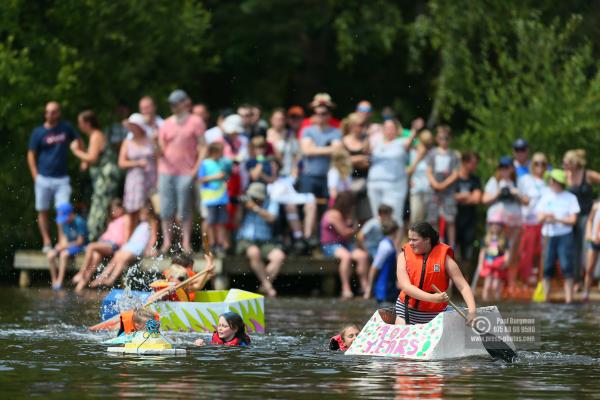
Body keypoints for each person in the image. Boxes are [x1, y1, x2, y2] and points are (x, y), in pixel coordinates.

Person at [395, 222, 477, 325]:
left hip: (435, 314)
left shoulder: (445, 260)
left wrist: (472, 312)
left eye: (414, 240)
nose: (410, 243)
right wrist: (432, 298)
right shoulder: (403, 256)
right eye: (409, 239)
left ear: (427, 239)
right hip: (406, 310)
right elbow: (406, 286)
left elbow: (463, 286)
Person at [27, 101, 80, 252]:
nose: (50, 114)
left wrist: (78, 150)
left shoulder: (66, 128)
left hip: (62, 178)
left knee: (62, 209)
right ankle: (47, 242)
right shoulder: (38, 132)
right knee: (43, 210)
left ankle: (62, 240)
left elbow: (77, 140)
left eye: (53, 111)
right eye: (48, 112)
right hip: (43, 178)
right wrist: (35, 175)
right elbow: (31, 154)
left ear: (58, 113)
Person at [158, 89, 206, 253]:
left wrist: (195, 170)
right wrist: (153, 145)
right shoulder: (165, 123)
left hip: (186, 172)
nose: (173, 106)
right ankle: (166, 243)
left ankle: (186, 243)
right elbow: (160, 151)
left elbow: (203, 147)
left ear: (185, 103)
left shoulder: (196, 121)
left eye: (176, 102)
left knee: (184, 210)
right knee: (165, 209)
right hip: (165, 171)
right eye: (171, 103)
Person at [71, 110, 121, 241]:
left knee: (101, 207)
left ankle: (96, 238)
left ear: (87, 123)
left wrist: (76, 151)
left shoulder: (96, 135)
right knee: (100, 206)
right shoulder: (94, 136)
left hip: (106, 178)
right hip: (102, 179)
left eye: (80, 123)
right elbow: (89, 161)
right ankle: (98, 237)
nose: (79, 126)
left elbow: (92, 158)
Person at [536, 169, 580, 304]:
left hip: (564, 236)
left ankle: (569, 300)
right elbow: (538, 218)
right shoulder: (545, 196)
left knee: (567, 267)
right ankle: (546, 298)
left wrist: (557, 219)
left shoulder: (570, 197)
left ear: (558, 182)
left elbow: (573, 220)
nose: (550, 182)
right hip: (548, 235)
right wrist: (545, 216)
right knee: (547, 267)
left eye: (552, 180)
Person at [482, 156, 526, 290]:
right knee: (495, 252)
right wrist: (498, 193)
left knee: (513, 254)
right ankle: (493, 283)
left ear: (512, 168)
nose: (504, 170)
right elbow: (484, 200)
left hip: (514, 223)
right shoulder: (494, 181)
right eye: (501, 167)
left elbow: (526, 201)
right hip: (497, 224)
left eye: (506, 167)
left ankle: (510, 284)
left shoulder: (518, 182)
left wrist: (515, 193)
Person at [236, 183, 286, 297]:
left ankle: (264, 287)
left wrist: (255, 208)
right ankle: (268, 287)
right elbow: (235, 222)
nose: (253, 199)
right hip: (246, 240)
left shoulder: (271, 202)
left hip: (265, 241)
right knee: (254, 252)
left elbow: (272, 218)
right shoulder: (244, 205)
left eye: (255, 197)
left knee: (279, 256)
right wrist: (241, 208)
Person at [90, 204, 158, 288]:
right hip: (131, 245)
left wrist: (150, 248)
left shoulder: (152, 223)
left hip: (138, 247)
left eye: (143, 214)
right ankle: (102, 277)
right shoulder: (140, 224)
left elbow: (153, 237)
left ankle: (111, 279)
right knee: (117, 255)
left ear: (148, 214)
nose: (141, 216)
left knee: (123, 258)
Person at [320, 192, 369, 299]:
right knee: (346, 257)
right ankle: (346, 288)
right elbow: (345, 233)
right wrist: (358, 228)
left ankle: (365, 287)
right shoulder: (333, 214)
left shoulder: (344, 215)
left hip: (344, 245)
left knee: (363, 256)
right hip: (330, 245)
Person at [368, 119, 415, 227]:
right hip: (374, 184)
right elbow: (366, 151)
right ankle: (381, 242)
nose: (388, 130)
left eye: (391, 128)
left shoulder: (402, 141)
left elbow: (412, 141)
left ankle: (394, 243)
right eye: (386, 128)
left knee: (394, 217)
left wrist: (415, 129)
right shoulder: (376, 143)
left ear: (397, 130)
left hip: (394, 186)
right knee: (377, 218)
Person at [73, 199, 127, 292]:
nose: (114, 212)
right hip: (105, 244)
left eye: (116, 209)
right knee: (96, 256)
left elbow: (124, 236)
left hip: (113, 245)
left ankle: (81, 273)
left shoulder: (125, 219)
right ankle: (81, 285)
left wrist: (123, 247)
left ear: (122, 208)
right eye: (112, 210)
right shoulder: (112, 222)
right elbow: (107, 235)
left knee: (90, 246)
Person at [563, 149, 600, 287]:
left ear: (575, 163)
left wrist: (598, 202)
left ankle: (590, 278)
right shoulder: (566, 176)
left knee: (587, 247)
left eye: (567, 163)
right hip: (571, 217)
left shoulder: (588, 174)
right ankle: (577, 280)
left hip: (587, 216)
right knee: (573, 248)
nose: (564, 165)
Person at [119, 113, 158, 238]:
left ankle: (152, 244)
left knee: (150, 213)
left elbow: (158, 158)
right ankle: (129, 242)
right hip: (134, 181)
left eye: (134, 125)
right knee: (132, 212)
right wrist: (137, 163)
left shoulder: (150, 140)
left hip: (150, 180)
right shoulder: (127, 142)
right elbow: (121, 163)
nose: (132, 128)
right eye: (131, 126)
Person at [298, 101, 342, 201]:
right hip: (308, 175)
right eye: (317, 113)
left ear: (329, 115)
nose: (320, 116)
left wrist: (314, 148)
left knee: (327, 209)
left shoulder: (336, 132)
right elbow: (306, 151)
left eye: (323, 113)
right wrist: (328, 149)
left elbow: (337, 150)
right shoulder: (307, 130)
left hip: (328, 176)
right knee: (308, 207)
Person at [516, 152, 548, 284]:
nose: (539, 166)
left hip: (544, 222)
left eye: (543, 163)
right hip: (528, 222)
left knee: (541, 253)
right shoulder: (525, 179)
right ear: (532, 165)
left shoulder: (548, 181)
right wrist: (523, 199)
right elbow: (517, 196)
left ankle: (540, 280)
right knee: (526, 253)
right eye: (536, 163)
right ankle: (524, 281)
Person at [426, 125, 460, 248]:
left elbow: (456, 173)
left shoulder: (454, 155)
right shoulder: (432, 153)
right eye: (441, 138)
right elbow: (428, 171)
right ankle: (435, 243)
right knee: (433, 218)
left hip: (448, 191)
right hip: (434, 190)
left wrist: (444, 184)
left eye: (446, 138)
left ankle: (451, 245)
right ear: (437, 139)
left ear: (449, 139)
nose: (443, 140)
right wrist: (435, 184)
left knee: (450, 218)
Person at [198, 142, 232, 255]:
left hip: (222, 197)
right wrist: (216, 177)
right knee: (210, 221)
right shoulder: (205, 163)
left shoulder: (222, 163)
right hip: (210, 198)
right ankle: (211, 244)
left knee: (222, 222)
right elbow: (201, 179)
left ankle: (221, 244)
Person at [47, 203, 88, 290]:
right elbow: (64, 239)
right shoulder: (65, 223)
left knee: (63, 254)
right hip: (69, 246)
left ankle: (60, 281)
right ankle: (54, 280)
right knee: (50, 255)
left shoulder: (79, 221)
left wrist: (64, 246)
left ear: (71, 214)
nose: (64, 220)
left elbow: (80, 242)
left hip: (80, 246)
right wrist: (60, 246)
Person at [341, 112, 371, 222]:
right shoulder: (343, 140)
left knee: (364, 215)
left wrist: (367, 137)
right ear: (352, 126)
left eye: (364, 125)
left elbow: (368, 158)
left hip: (364, 181)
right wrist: (358, 159)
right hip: (348, 181)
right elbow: (341, 161)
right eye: (360, 125)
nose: (362, 128)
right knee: (349, 213)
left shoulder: (365, 140)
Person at [454, 152, 482, 267]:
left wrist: (459, 197)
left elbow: (476, 199)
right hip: (454, 220)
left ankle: (466, 281)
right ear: (465, 162)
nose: (475, 166)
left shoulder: (475, 179)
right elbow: (450, 198)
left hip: (469, 221)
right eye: (473, 163)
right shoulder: (454, 178)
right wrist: (466, 195)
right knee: (453, 251)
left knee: (468, 253)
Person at [364, 220, 401, 304]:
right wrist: (369, 289)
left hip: (390, 289)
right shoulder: (385, 247)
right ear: (395, 231)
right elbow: (374, 267)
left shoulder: (390, 245)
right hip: (383, 291)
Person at [477, 213, 510, 302]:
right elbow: (482, 252)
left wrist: (506, 262)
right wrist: (480, 265)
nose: (495, 226)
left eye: (497, 224)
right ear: (490, 226)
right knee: (487, 286)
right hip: (489, 263)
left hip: (499, 265)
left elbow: (507, 252)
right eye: (493, 224)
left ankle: (497, 302)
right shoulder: (487, 238)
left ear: (501, 226)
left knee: (496, 286)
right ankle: (485, 302)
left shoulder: (504, 239)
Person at [408, 129, 435, 225]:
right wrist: (419, 156)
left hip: (429, 189)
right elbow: (409, 171)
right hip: (416, 189)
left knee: (429, 219)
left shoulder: (433, 154)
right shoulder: (412, 153)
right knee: (415, 218)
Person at [583, 201, 600, 301]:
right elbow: (590, 220)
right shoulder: (596, 205)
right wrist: (588, 233)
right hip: (594, 240)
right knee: (589, 268)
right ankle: (586, 292)